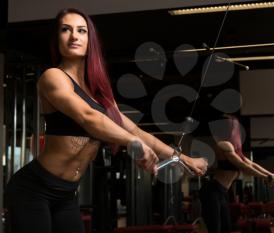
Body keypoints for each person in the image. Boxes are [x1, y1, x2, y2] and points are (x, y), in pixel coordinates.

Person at [5, 8, 208, 233]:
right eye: (66, 30)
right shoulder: (53, 77)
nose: (74, 36)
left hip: (66, 194)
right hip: (34, 190)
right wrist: (132, 143)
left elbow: (137, 131)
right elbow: (88, 118)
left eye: (81, 31)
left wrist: (184, 158)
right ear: (57, 39)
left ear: (90, 39)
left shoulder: (98, 92)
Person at [199, 115, 274, 233]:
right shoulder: (223, 144)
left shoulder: (236, 148)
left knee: (226, 228)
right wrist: (267, 177)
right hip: (212, 191)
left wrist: (272, 175)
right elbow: (243, 166)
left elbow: (252, 164)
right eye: (232, 126)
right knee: (215, 229)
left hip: (223, 192)